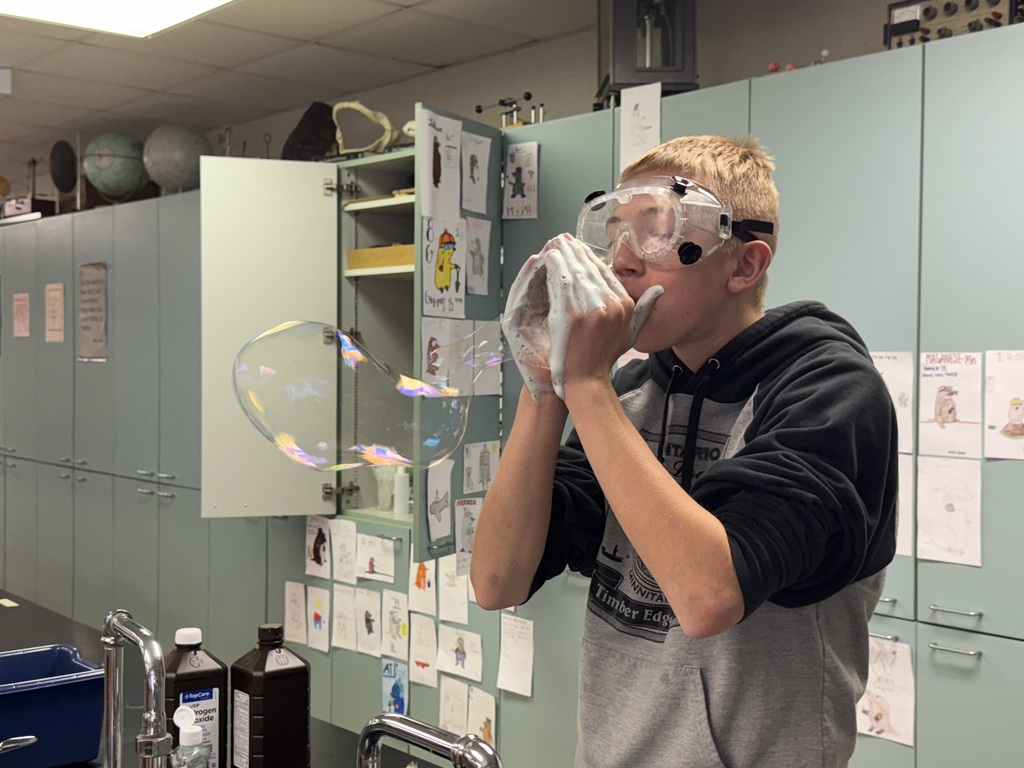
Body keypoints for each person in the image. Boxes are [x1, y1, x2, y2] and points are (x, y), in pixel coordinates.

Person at [470, 135, 898, 768]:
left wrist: (585, 385)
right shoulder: (632, 393)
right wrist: (547, 386)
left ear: (744, 266)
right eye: (613, 234)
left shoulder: (830, 390)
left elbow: (708, 598)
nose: (622, 262)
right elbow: (496, 581)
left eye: (657, 232)